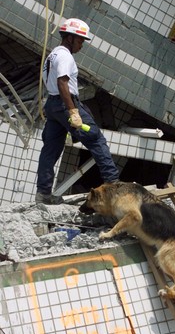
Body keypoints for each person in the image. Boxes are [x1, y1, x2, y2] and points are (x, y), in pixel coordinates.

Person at [36, 18, 119, 204]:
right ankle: (114, 186)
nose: (82, 45)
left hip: (53, 105)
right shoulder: (65, 56)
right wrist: (73, 112)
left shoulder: (53, 55)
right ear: (70, 37)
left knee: (50, 150)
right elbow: (62, 82)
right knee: (96, 139)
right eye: (81, 40)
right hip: (66, 103)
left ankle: (43, 195)